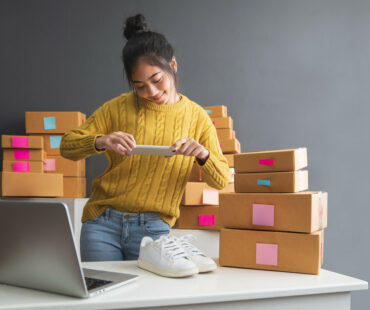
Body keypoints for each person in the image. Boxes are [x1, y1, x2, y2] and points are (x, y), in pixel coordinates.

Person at [60, 14, 230, 262]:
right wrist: (101, 141)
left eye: (156, 80)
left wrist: (202, 155)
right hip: (102, 223)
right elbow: (66, 146)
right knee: (103, 298)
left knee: (146, 300)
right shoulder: (116, 107)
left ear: (173, 65)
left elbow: (222, 180)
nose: (151, 92)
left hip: (154, 228)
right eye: (139, 86)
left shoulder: (197, 118)